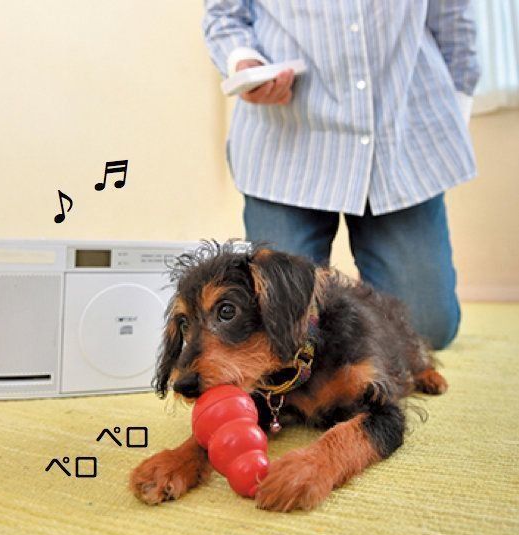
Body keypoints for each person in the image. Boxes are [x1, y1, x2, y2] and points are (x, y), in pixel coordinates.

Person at [202, 1, 480, 350]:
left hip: (400, 132)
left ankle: (352, 325)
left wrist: (453, 108)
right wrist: (245, 62)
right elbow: (224, 15)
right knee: (281, 326)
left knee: (427, 329)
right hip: (286, 139)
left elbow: (454, 16)